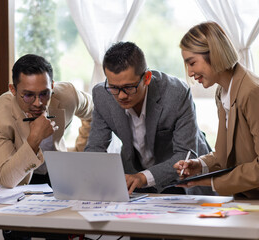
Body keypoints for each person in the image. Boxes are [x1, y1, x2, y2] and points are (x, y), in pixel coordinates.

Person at [174, 21, 259, 240]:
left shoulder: (253, 92)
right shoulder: (223, 92)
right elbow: (225, 153)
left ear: (214, 54)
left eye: (192, 62)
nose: (189, 72)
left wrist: (212, 182)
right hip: (258, 200)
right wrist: (200, 165)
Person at [0, 54, 93, 239]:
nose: (38, 103)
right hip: (17, 183)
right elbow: (7, 179)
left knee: (60, 234)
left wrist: (80, 154)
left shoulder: (67, 95)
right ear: (12, 89)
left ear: (52, 86)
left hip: (56, 177)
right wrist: (34, 139)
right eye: (28, 95)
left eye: (44, 94)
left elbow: (96, 113)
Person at [85, 41, 213, 195]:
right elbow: (95, 148)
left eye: (128, 87)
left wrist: (143, 177)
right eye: (114, 87)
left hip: (183, 180)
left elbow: (185, 155)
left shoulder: (176, 93)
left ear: (147, 78)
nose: (121, 95)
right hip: (135, 180)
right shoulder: (102, 95)